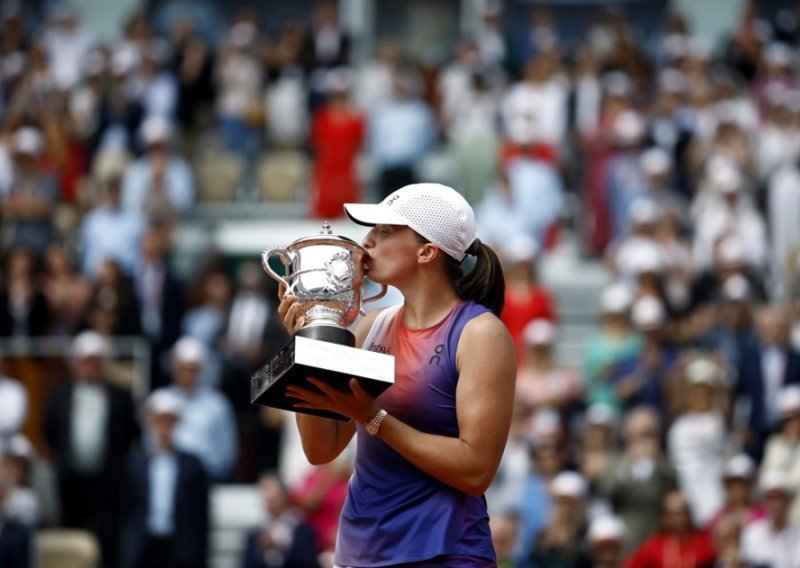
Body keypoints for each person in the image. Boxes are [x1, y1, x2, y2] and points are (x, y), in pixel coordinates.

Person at [278, 182, 516, 566]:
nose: (366, 243)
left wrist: (372, 417)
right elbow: (321, 449)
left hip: (445, 551)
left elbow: (476, 470)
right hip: (360, 551)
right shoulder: (368, 325)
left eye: (385, 231)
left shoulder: (481, 333)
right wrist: (310, 339)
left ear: (427, 251)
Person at [119, 389, 209, 568]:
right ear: (149, 422)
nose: (164, 427)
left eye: (169, 421)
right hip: (142, 546)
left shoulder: (192, 464)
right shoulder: (134, 463)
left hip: (181, 549)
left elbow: (201, 514)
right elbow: (124, 509)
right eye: (159, 420)